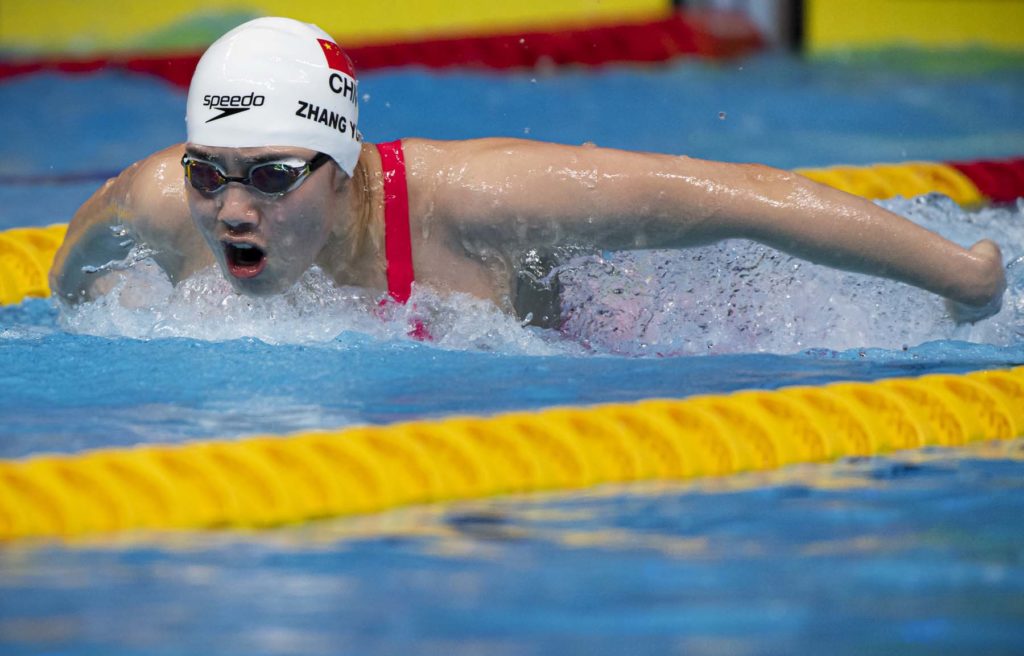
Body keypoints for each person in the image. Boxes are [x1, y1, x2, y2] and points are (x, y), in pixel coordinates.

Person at [50, 17, 1006, 331]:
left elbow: (739, 200)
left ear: (341, 173)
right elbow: (70, 281)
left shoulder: (482, 203)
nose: (230, 208)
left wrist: (961, 276)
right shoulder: (157, 200)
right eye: (209, 172)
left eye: (268, 178)